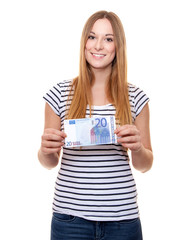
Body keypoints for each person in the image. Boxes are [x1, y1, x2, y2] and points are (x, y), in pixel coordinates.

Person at [38, 10, 153, 240]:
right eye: (92, 37)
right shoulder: (59, 94)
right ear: (84, 42)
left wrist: (138, 148)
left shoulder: (136, 98)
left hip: (123, 220)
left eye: (108, 39)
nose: (98, 45)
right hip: (70, 219)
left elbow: (145, 165)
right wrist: (45, 150)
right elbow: (49, 162)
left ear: (117, 46)